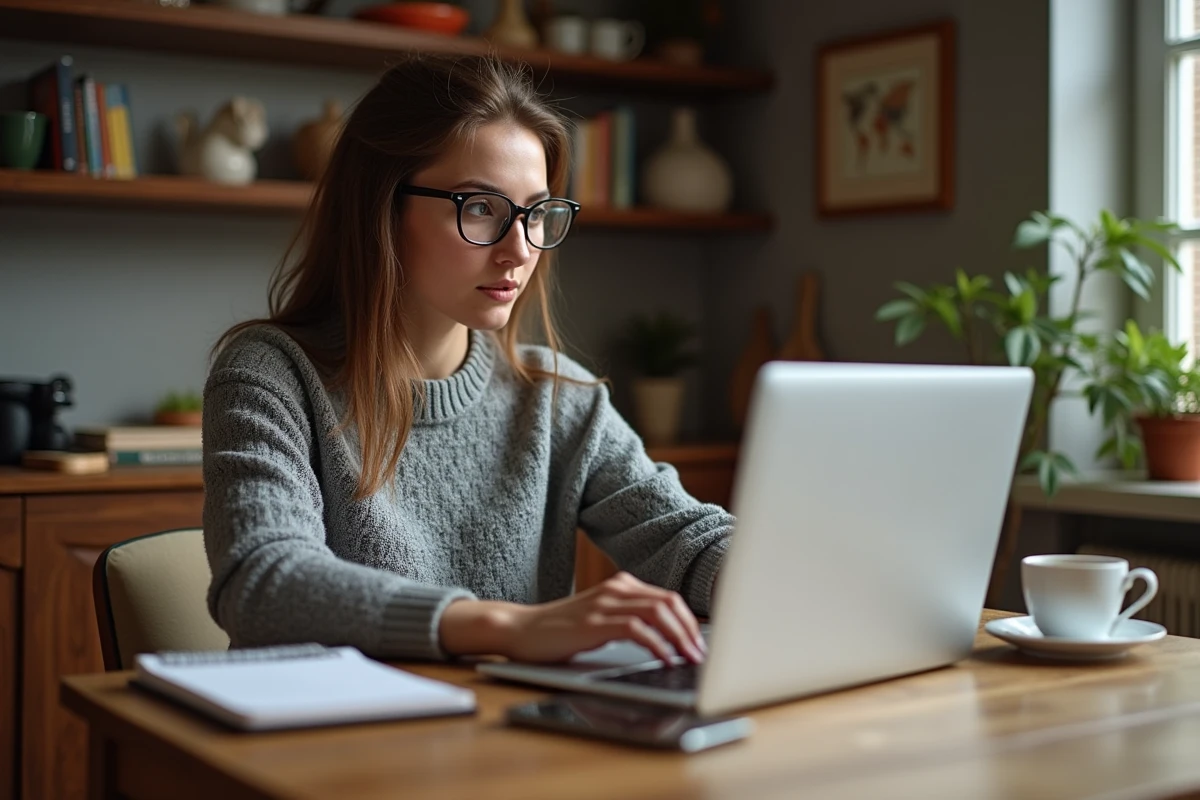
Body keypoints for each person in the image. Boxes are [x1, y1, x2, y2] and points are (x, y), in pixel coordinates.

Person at [203, 54, 732, 668]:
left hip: (504, 744)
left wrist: (796, 575)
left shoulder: (558, 398)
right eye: (480, 208)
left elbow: (684, 536)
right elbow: (264, 583)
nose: (519, 248)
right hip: (326, 748)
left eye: (536, 212)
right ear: (382, 207)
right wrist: (512, 627)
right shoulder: (272, 375)